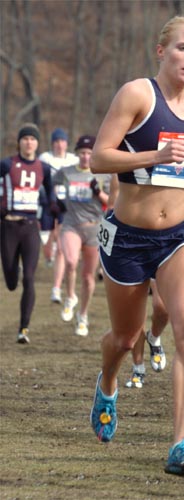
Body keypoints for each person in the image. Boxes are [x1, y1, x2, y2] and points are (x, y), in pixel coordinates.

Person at [88, 14, 184, 476]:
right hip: (130, 236)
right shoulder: (137, 94)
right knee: (124, 337)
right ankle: (109, 382)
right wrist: (154, 155)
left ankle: (182, 443)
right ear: (162, 51)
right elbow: (99, 157)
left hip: (181, 233)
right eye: (182, 48)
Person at [1, 124, 58, 344]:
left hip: (30, 227)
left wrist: (54, 205)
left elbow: (50, 191)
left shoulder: (43, 167)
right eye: (25, 139)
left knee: (29, 278)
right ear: (19, 142)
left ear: (37, 143)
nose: (29, 142)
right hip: (9, 226)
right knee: (11, 281)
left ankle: (23, 328)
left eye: (32, 139)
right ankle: (14, 271)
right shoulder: (6, 164)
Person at [52, 135, 111, 336]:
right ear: (77, 153)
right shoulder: (67, 172)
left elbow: (112, 202)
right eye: (83, 153)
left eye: (89, 153)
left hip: (94, 227)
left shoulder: (104, 175)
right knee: (70, 262)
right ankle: (70, 297)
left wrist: (99, 193)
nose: (86, 157)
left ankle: (83, 316)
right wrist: (56, 202)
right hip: (71, 224)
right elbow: (49, 184)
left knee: (87, 277)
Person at [39, 128, 78, 304]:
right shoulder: (45, 158)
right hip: (48, 202)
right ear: (52, 143)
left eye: (62, 141)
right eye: (56, 141)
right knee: (47, 238)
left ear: (66, 143)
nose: (59, 144)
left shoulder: (73, 159)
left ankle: (56, 288)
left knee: (62, 245)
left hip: (67, 204)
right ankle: (49, 252)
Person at [124, 280, 169, 388]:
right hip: (135, 264)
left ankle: (153, 338)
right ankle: (138, 368)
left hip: (157, 263)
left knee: (163, 308)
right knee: (135, 311)